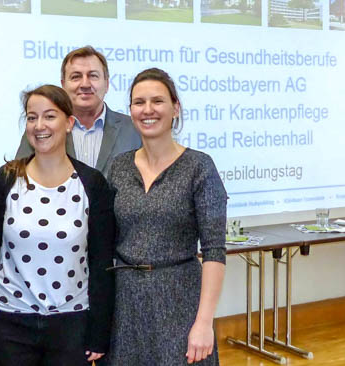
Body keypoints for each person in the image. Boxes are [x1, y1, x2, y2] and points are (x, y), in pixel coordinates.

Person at [0, 85, 115, 366]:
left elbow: (101, 262)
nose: (39, 126)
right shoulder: (6, 179)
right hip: (8, 323)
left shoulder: (92, 184)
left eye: (49, 116)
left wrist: (99, 331)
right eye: (32, 117)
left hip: (71, 325)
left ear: (69, 123)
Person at [101, 68, 227, 365]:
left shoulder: (199, 167)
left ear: (175, 108)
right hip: (125, 304)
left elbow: (214, 251)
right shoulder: (119, 168)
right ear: (130, 110)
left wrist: (204, 322)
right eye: (138, 102)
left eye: (157, 101)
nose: (147, 110)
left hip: (180, 300)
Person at [15, 46, 141, 177]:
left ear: (107, 84)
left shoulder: (133, 130)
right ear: (63, 85)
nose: (85, 84)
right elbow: (19, 176)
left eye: (93, 76)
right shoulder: (43, 130)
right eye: (76, 77)